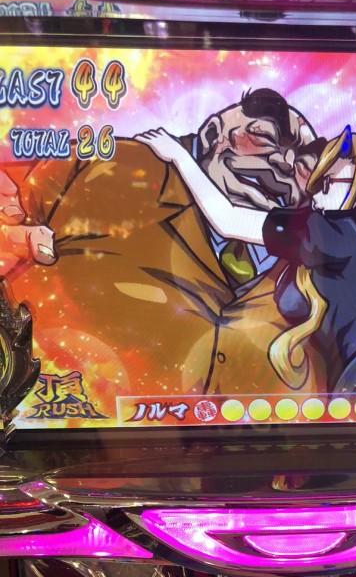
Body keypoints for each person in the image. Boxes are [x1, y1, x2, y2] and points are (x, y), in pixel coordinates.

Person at [138, 89, 356, 394]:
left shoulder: (329, 234)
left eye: (325, 182)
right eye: (264, 137)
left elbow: (228, 220)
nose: (308, 185)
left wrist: (179, 157)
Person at [0, 89, 328, 400]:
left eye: (303, 166)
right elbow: (22, 193)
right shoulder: (130, 166)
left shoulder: (304, 269)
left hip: (221, 429)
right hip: (62, 406)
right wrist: (13, 231)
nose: (283, 164)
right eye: (263, 139)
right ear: (213, 134)